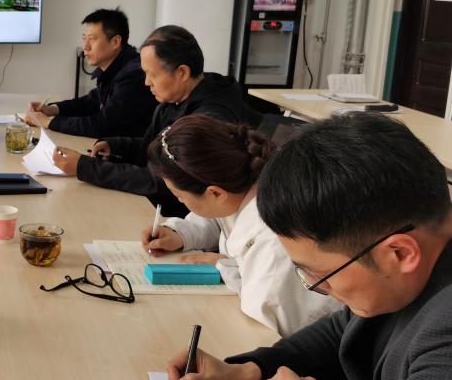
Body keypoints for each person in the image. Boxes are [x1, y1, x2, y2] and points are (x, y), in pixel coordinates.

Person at [165, 113, 452, 380]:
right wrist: (252, 371)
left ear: (400, 253)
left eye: (319, 275)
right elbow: (347, 327)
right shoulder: (416, 263)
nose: (320, 289)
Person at [142, 114, 337, 336]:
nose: (180, 201)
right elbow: (220, 215)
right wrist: (180, 233)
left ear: (215, 193)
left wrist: (228, 268)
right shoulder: (243, 183)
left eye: (180, 196)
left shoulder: (273, 241)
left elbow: (267, 327)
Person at [52, 25, 253, 216]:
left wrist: (85, 167)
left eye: (152, 74)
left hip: (177, 216)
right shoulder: (174, 99)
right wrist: (117, 146)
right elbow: (154, 149)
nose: (147, 82)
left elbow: (167, 181)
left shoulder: (209, 121)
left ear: (182, 72)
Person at [24, 8, 155, 138]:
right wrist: (51, 109)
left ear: (115, 42)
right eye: (84, 39)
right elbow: (90, 102)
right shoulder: (115, 66)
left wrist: (48, 122)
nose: (85, 46)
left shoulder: (132, 75)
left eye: (92, 39)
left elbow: (104, 125)